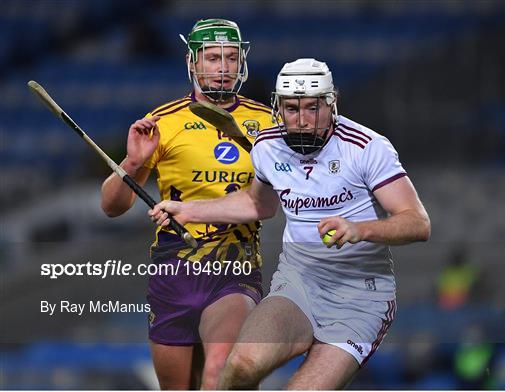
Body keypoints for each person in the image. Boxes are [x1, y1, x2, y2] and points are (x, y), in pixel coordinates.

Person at [149, 58, 431, 389]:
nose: (303, 121)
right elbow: (259, 204)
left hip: (359, 298)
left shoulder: (367, 147)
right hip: (298, 283)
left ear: (332, 102)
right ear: (278, 107)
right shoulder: (268, 146)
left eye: (313, 108)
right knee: (239, 365)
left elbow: (417, 222)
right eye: (293, 109)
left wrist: (359, 229)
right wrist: (190, 210)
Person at [101, 19, 274, 390]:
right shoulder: (162, 121)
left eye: (231, 57)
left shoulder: (268, 122)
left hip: (235, 267)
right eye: (213, 58)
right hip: (174, 271)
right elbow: (112, 206)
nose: (223, 67)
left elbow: (274, 200)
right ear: (193, 62)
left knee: (222, 373)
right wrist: (132, 164)